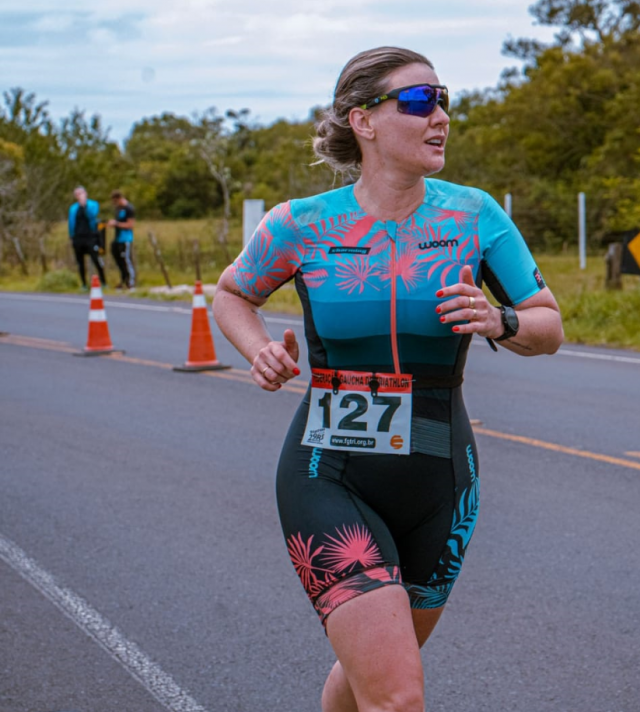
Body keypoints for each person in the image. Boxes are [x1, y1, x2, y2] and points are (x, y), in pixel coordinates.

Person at [213, 46, 563, 712]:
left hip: (441, 482)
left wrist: (499, 319)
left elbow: (549, 325)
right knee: (397, 696)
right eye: (418, 100)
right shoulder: (301, 224)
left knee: (370, 678)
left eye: (444, 100)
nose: (440, 116)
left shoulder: (474, 215)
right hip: (329, 475)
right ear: (363, 121)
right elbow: (232, 294)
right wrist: (257, 349)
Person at [67, 186, 106, 289]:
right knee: (80, 262)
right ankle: (84, 284)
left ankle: (103, 281)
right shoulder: (73, 208)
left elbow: (92, 216)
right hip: (78, 237)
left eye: (81, 193)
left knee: (96, 258)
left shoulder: (93, 205)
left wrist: (85, 205)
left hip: (90, 236)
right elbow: (71, 223)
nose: (80, 196)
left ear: (85, 193)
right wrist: (71, 236)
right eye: (77, 194)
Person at [107, 189, 136, 289]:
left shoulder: (129, 208)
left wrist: (116, 224)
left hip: (126, 238)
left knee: (126, 259)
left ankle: (131, 281)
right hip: (117, 238)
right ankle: (123, 280)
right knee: (118, 259)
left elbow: (130, 224)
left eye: (115, 201)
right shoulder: (118, 209)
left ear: (119, 198)